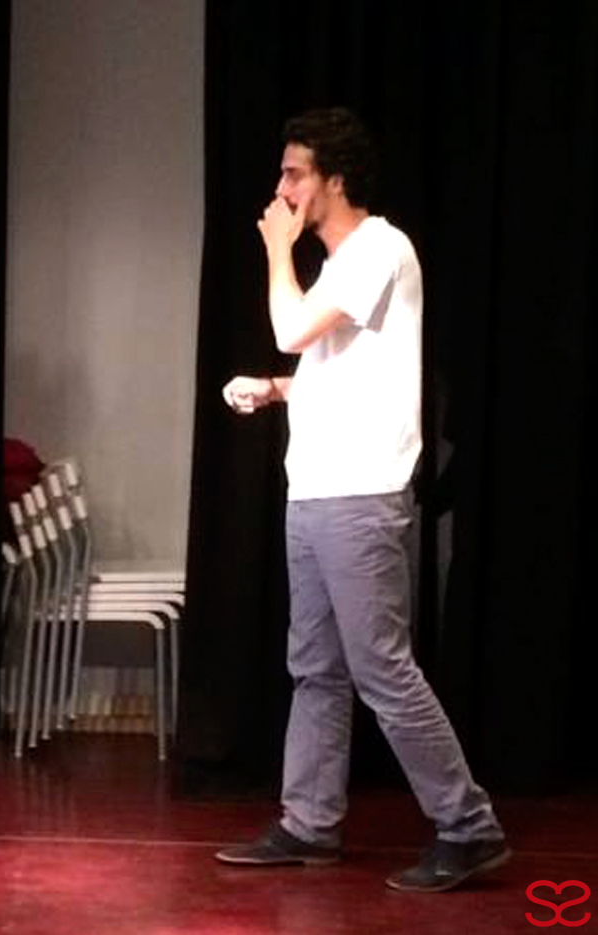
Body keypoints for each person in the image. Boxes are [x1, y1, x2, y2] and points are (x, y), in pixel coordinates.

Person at [213, 108, 509, 892]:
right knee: (314, 668)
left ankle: (468, 825)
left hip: (360, 496)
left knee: (381, 668)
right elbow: (332, 367)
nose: (281, 189)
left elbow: (289, 329)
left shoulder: (378, 247)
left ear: (333, 179)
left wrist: (276, 250)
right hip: (314, 490)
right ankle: (308, 822)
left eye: (293, 174)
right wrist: (274, 390)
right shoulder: (343, 265)